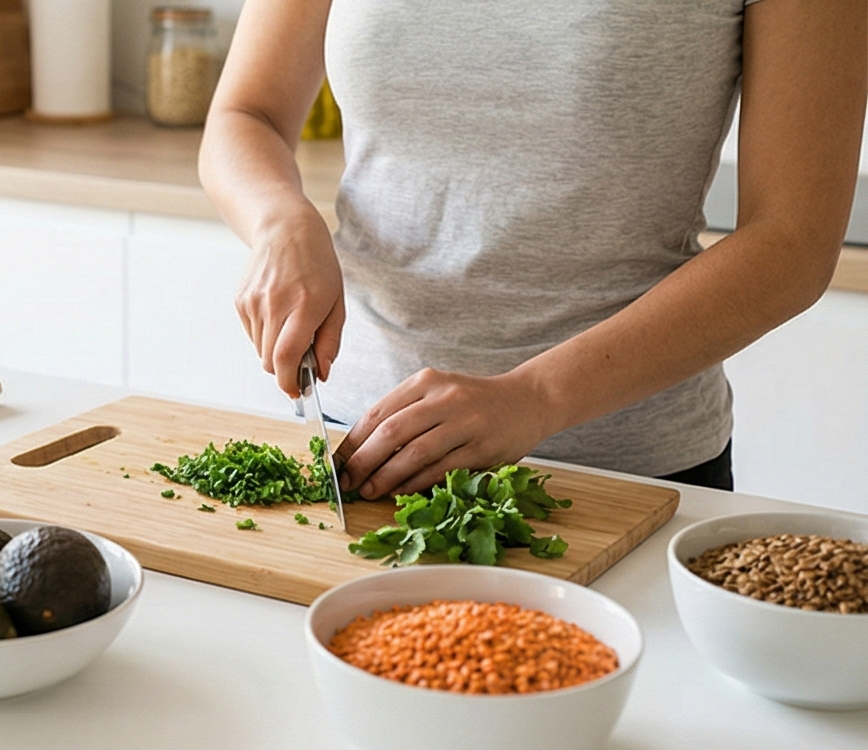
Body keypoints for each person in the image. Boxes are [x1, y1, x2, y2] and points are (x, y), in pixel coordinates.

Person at [199, 0, 865, 498]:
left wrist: (536, 397)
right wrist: (280, 221)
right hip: (355, 449)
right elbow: (245, 114)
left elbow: (792, 242)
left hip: (618, 476)